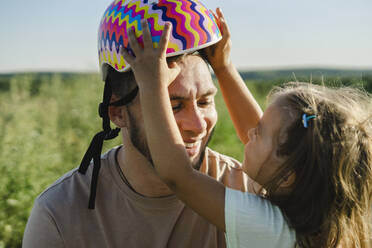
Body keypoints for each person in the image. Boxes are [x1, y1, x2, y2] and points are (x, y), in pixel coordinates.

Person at [123, 9, 372, 248]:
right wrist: (223, 67)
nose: (250, 132)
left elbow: (178, 176)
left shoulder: (267, 227)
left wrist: (151, 84)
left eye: (260, 133)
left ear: (287, 176)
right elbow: (272, 144)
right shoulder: (321, 220)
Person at [22, 1, 259, 247]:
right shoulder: (60, 215)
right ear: (117, 112)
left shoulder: (242, 191)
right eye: (173, 106)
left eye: (204, 102)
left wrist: (224, 67)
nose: (198, 125)